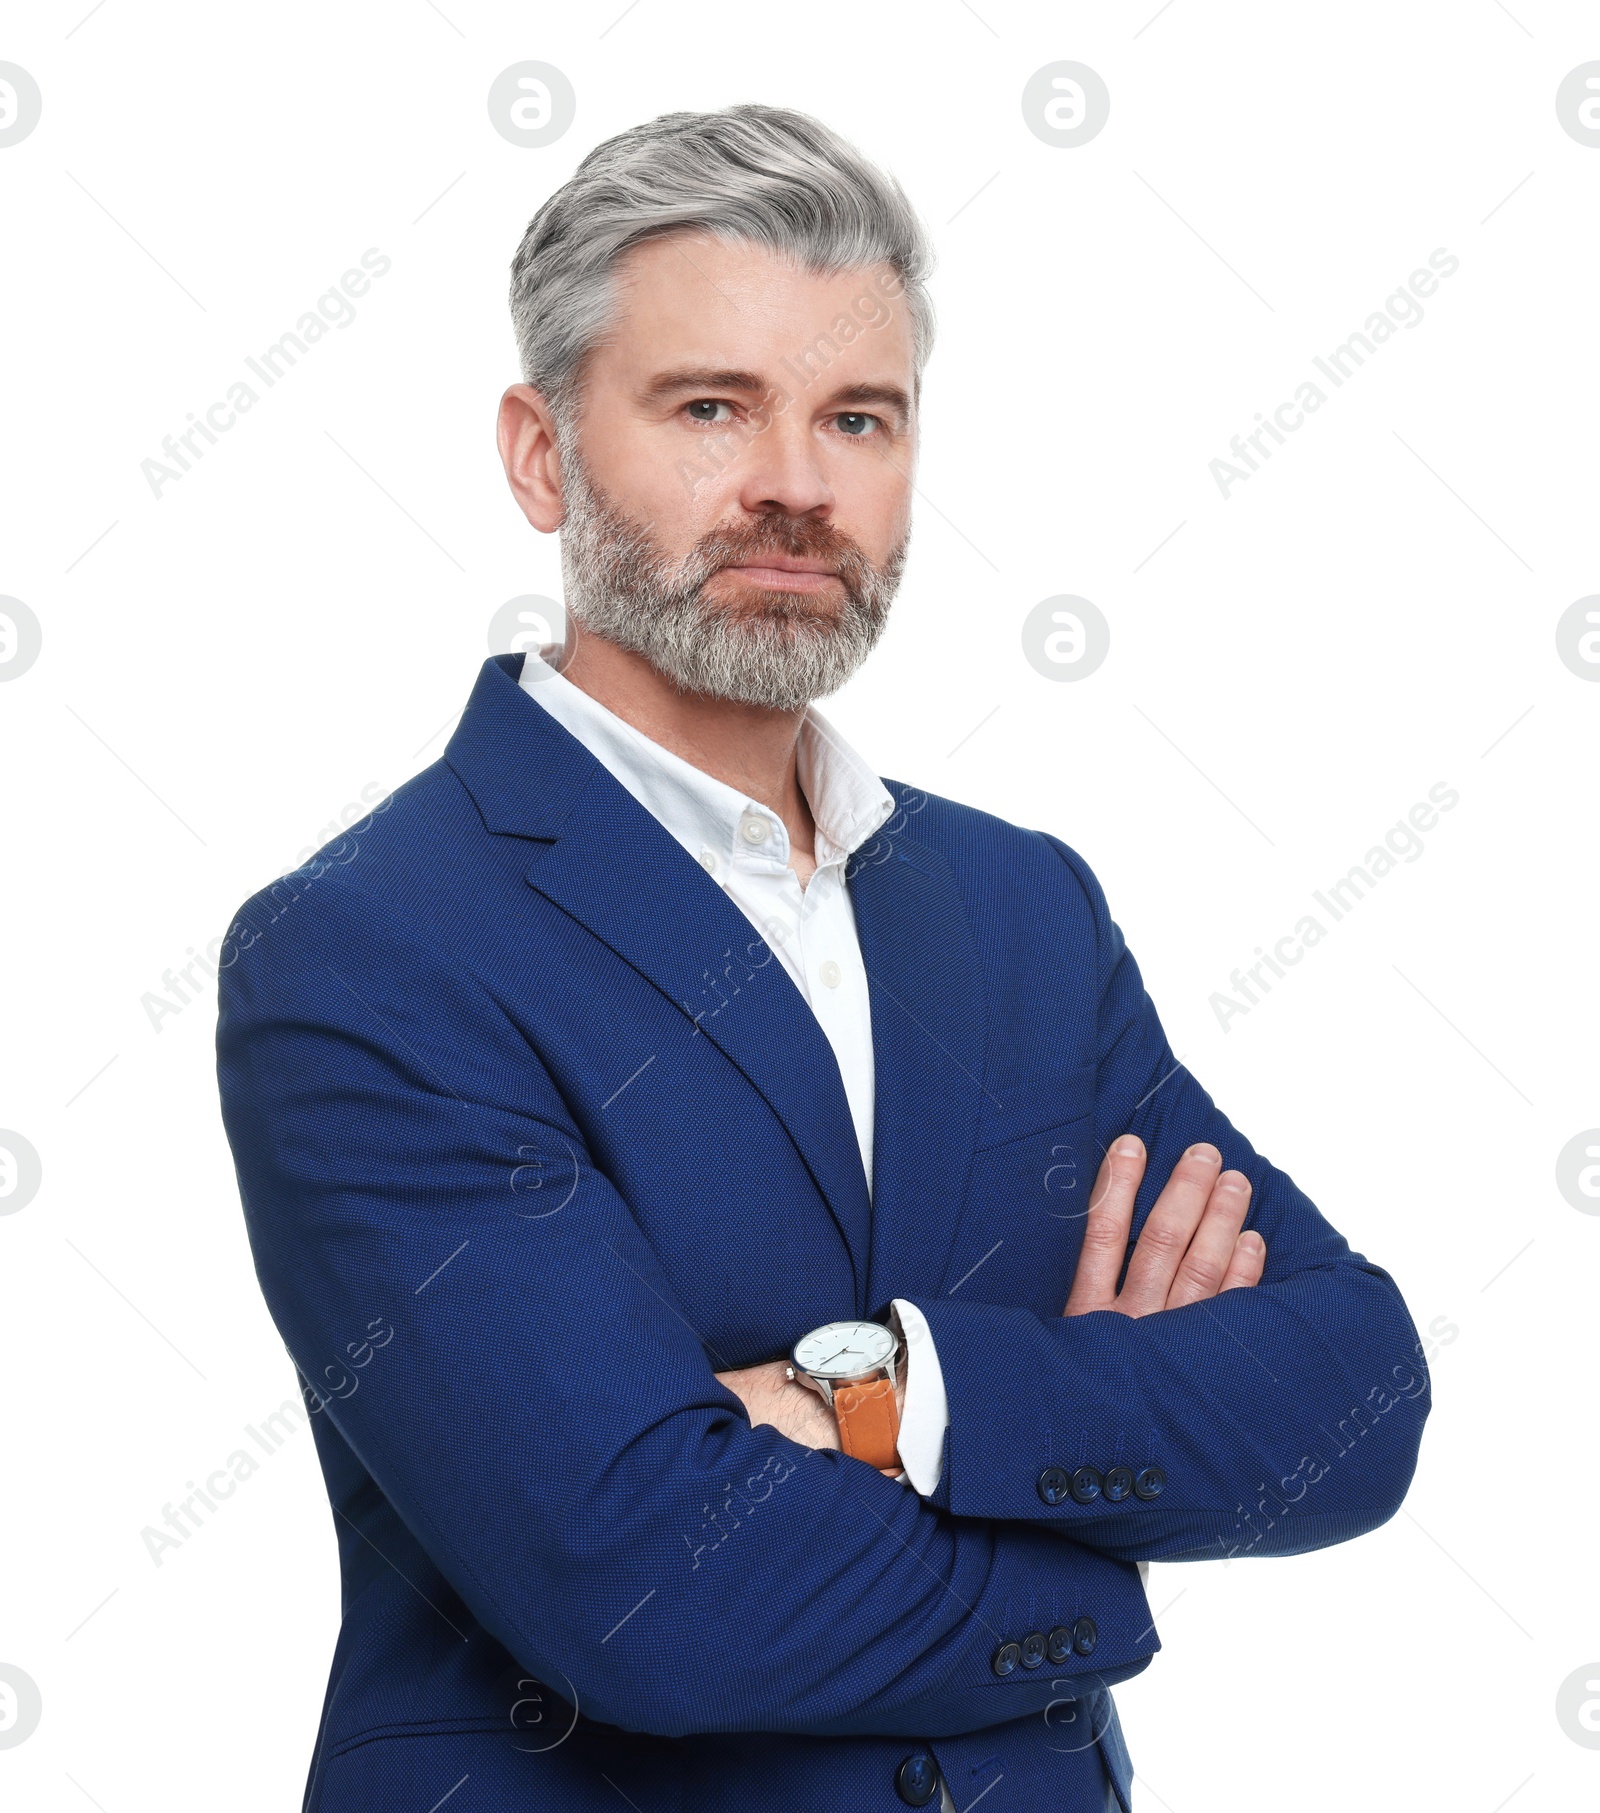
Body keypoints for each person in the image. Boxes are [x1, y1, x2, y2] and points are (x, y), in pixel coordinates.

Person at [215, 103, 1429, 1813]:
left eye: (857, 416)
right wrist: (1094, 1558)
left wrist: (890, 1394)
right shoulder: (364, 948)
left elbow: (1354, 1392)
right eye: (711, 406)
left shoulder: (1017, 907)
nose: (797, 481)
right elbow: (649, 1588)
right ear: (541, 452)